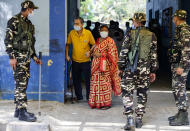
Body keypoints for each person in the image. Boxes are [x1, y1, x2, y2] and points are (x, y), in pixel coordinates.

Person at [118, 13, 158, 130]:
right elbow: (154, 55)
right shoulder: (152, 35)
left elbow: (124, 52)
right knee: (142, 92)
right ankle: (139, 119)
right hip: (145, 69)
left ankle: (130, 119)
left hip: (130, 69)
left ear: (136, 22)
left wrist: (120, 68)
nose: (133, 23)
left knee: (127, 92)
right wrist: (153, 70)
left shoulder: (130, 33)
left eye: (133, 21)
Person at [4, 0, 42, 122]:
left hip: (26, 58)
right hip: (17, 58)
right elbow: (8, 40)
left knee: (22, 84)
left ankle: (18, 110)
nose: (32, 11)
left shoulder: (29, 24)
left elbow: (31, 44)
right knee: (20, 84)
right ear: (27, 8)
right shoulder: (14, 21)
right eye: (31, 9)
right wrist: (11, 57)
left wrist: (35, 57)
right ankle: (22, 112)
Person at [88, 25, 121, 110]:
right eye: (102, 30)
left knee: (105, 84)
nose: (103, 32)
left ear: (108, 32)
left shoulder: (110, 41)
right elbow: (93, 49)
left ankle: (106, 104)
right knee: (95, 84)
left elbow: (113, 55)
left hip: (105, 66)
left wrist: (100, 54)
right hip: (95, 66)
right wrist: (90, 52)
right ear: (99, 32)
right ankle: (96, 102)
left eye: (105, 30)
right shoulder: (98, 40)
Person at [168, 9, 190, 126]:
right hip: (177, 63)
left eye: (173, 17)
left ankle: (184, 116)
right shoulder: (180, 29)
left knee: (180, 89)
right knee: (176, 88)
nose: (173, 19)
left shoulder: (185, 30)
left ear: (176, 18)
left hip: (182, 65)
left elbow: (187, 50)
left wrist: (182, 66)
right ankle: (180, 112)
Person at [66, 17, 95, 101]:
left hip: (86, 62)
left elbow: (94, 44)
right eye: (74, 23)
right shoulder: (72, 33)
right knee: (76, 80)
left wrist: (90, 52)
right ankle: (79, 97)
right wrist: (67, 55)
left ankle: (89, 97)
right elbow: (67, 44)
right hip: (75, 61)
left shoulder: (88, 33)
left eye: (77, 24)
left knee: (88, 81)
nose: (75, 25)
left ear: (82, 25)